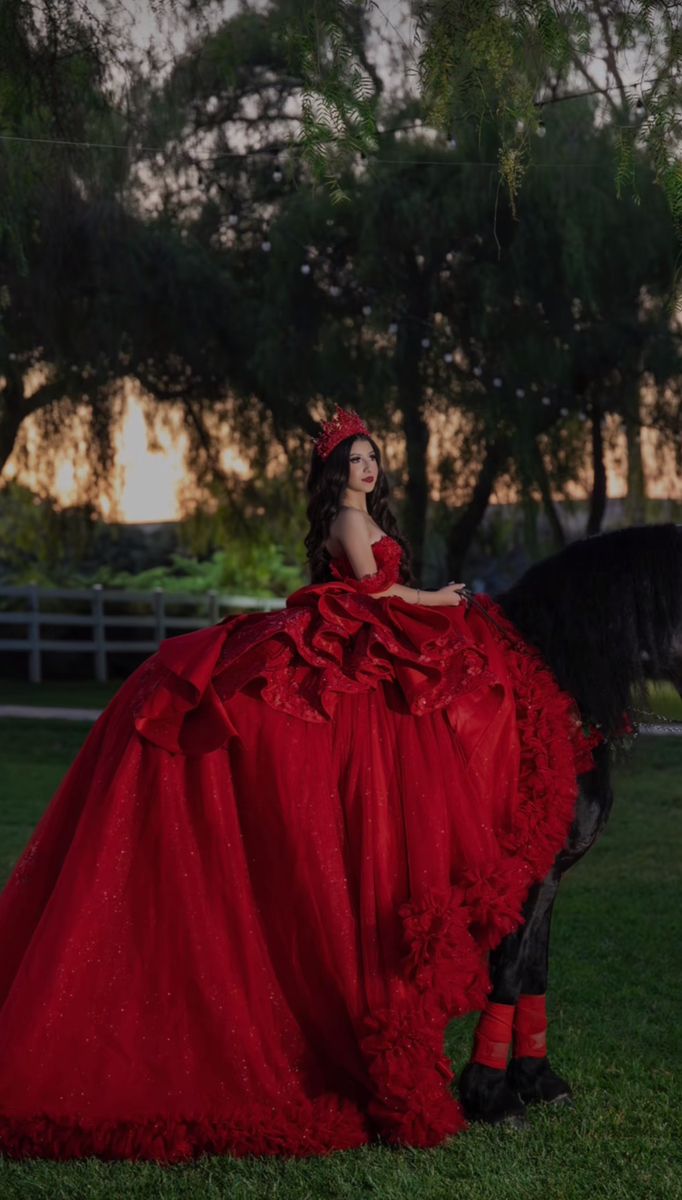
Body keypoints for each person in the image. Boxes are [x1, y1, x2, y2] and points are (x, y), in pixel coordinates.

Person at [0, 406, 598, 1162]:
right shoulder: (350, 524)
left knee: (458, 694)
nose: (367, 470)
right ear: (334, 474)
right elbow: (378, 598)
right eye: (354, 461)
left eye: (372, 458)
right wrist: (444, 600)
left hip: (372, 638)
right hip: (364, 634)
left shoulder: (363, 516)